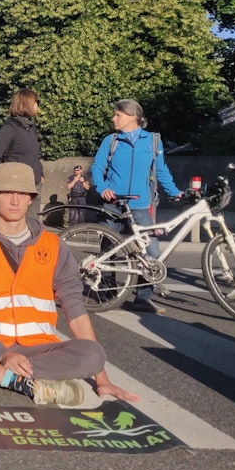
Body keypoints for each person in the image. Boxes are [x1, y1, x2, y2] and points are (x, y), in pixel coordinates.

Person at [0, 163, 137, 405]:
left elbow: (75, 309)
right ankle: (22, 382)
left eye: (22, 193)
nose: (14, 200)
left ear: (31, 198)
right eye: (6, 192)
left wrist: (102, 378)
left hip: (38, 349)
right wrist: (2, 354)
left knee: (94, 355)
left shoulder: (54, 246)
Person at [90, 99, 182, 315]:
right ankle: (108, 291)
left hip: (140, 205)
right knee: (109, 249)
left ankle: (143, 298)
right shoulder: (111, 141)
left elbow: (161, 171)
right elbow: (97, 167)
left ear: (132, 116)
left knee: (151, 251)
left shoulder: (153, 141)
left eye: (117, 115)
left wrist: (175, 191)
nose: (114, 118)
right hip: (113, 202)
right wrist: (103, 187)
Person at [0, 87, 44, 180]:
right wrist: (11, 177)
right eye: (35, 102)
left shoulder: (31, 127)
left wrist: (40, 173)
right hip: (17, 186)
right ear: (26, 104)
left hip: (34, 184)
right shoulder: (9, 128)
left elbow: (33, 156)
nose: (37, 105)